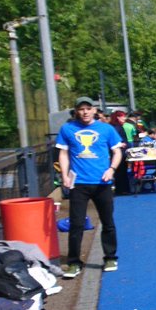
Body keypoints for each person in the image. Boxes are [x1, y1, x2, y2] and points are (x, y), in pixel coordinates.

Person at [56, 97, 123, 278]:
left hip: (102, 183)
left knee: (107, 222)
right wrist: (64, 175)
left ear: (94, 110)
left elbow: (117, 151)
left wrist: (111, 169)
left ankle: (110, 257)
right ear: (76, 111)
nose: (85, 112)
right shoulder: (68, 129)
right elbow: (63, 153)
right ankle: (74, 262)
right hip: (79, 183)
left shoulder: (106, 129)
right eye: (81, 109)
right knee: (76, 224)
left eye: (88, 108)